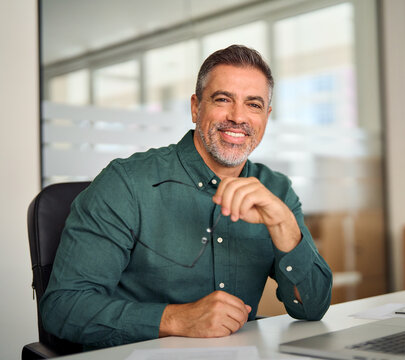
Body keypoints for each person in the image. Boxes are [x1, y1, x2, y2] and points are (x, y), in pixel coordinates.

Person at [41, 44, 333, 349]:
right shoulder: (126, 183)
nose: (238, 117)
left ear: (266, 116)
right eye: (223, 99)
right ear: (196, 107)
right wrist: (175, 319)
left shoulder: (277, 191)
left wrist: (284, 223)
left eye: (253, 105)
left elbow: (312, 307)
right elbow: (63, 308)